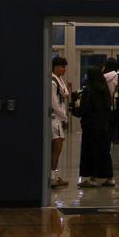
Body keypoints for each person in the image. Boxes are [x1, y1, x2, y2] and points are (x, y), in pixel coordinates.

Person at [72, 67, 116, 188]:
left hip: (90, 127)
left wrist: (73, 106)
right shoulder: (105, 90)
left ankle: (92, 178)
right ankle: (110, 178)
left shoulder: (89, 91)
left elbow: (84, 110)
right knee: (104, 152)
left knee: (90, 152)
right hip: (104, 126)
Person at [49, 56, 70, 187]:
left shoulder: (59, 80)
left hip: (59, 119)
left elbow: (65, 93)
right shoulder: (52, 82)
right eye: (62, 67)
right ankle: (51, 177)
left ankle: (54, 175)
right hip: (54, 119)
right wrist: (65, 118)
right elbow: (55, 104)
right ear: (56, 67)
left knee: (58, 149)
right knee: (56, 148)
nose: (64, 69)